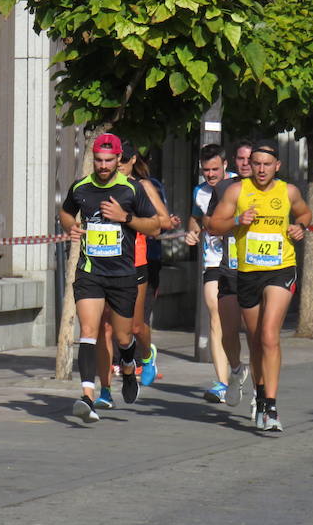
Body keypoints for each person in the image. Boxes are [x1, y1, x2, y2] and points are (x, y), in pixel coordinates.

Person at [209, 141, 312, 433]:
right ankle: (261, 397)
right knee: (255, 340)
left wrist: (300, 227)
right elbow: (214, 226)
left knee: (269, 335)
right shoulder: (236, 191)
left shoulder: (288, 191)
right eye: (257, 164)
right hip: (248, 272)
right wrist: (237, 220)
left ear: (277, 166)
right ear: (249, 165)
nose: (262, 169)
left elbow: (305, 213)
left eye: (268, 164)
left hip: (281, 269)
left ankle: (272, 404)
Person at [59, 133, 161, 423]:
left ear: (119, 160)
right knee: (89, 331)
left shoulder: (131, 189)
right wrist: (72, 226)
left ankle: (128, 368)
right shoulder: (81, 188)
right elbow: (65, 213)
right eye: (98, 161)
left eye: (108, 161)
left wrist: (125, 218)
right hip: (90, 272)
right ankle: (87, 397)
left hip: (123, 275)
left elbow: (154, 227)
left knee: (122, 336)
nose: (103, 166)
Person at [93, 141, 174, 409]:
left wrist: (128, 217)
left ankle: (147, 356)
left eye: (123, 161)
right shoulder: (95, 187)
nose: (117, 165)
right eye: (115, 160)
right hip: (102, 265)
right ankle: (104, 391)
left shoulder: (140, 188)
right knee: (104, 328)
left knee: (134, 328)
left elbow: (160, 224)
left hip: (135, 264)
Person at [207, 140, 255, 407]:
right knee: (228, 330)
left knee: (257, 334)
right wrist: (236, 221)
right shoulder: (225, 188)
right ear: (234, 161)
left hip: (260, 270)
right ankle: (236, 371)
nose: (246, 164)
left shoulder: (274, 190)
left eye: (251, 159)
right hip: (231, 268)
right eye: (241, 158)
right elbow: (213, 225)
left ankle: (260, 396)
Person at [185, 144, 233, 403]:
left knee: (243, 323)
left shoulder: (239, 185)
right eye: (206, 170)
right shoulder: (200, 192)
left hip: (240, 262)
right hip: (213, 260)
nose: (211, 174)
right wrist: (191, 232)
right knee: (215, 314)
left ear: (225, 165)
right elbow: (194, 219)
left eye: (215, 169)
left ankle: (239, 368)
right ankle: (222, 382)